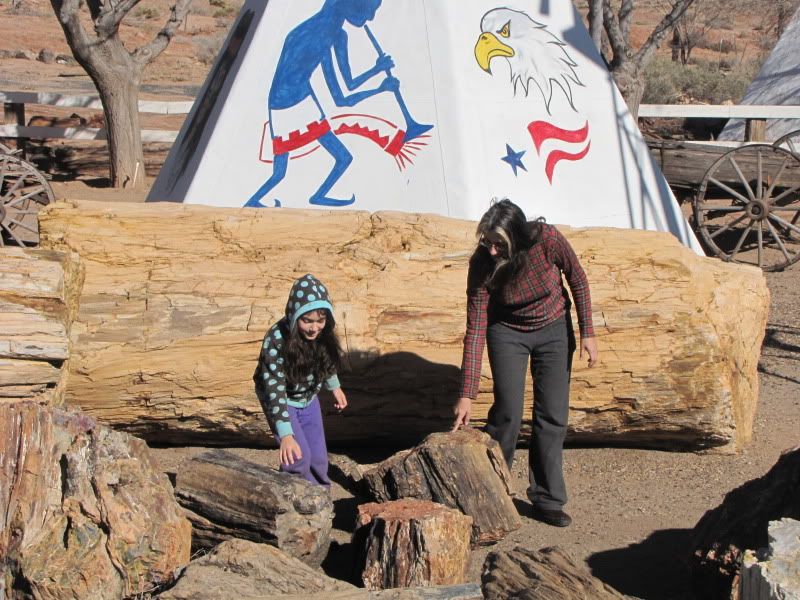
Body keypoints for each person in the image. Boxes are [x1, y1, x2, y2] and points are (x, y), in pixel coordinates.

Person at [452, 199, 598, 527]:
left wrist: (588, 332)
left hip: (554, 329)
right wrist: (467, 393)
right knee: (507, 412)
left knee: (552, 415)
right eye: (486, 242)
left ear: (517, 236)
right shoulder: (482, 264)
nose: (491, 250)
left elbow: (578, 280)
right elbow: (475, 328)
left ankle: (547, 498)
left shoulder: (547, 240)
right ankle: (492, 490)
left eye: (498, 243)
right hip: (507, 332)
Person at [255, 274, 347, 486]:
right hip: (280, 398)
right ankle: (292, 497)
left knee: (317, 457)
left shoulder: (321, 334)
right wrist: (285, 435)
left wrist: (335, 387)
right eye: (307, 321)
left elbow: (326, 361)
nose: (314, 328)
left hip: (308, 397)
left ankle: (318, 499)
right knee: (297, 456)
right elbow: (274, 389)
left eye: (320, 321)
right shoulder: (276, 339)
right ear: (295, 317)